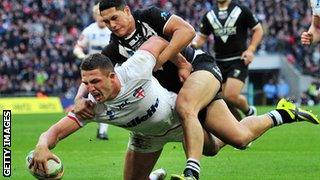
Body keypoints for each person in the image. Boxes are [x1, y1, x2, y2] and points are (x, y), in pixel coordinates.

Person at [29, 37, 320, 180]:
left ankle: (281, 113)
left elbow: (155, 40)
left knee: (237, 140)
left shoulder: (134, 68)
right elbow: (55, 131)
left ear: (112, 76)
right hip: (146, 138)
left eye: (94, 81)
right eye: (85, 84)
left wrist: (180, 62)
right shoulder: (91, 107)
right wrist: (42, 145)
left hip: (181, 119)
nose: (90, 88)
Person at [191, 0, 264, 118]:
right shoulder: (210, 14)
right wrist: (193, 44)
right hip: (219, 62)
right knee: (221, 98)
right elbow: (202, 36)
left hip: (238, 60)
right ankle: (236, 122)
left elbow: (258, 29)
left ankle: (249, 111)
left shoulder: (241, 10)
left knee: (230, 95)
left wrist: (251, 49)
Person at [73, 4, 112, 140]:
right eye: (98, 14)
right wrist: (82, 56)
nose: (100, 17)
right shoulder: (89, 31)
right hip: (91, 70)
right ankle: (78, 103)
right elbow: (77, 48)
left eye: (102, 14)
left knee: (104, 97)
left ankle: (102, 130)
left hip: (107, 69)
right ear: (95, 15)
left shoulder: (111, 30)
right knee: (93, 95)